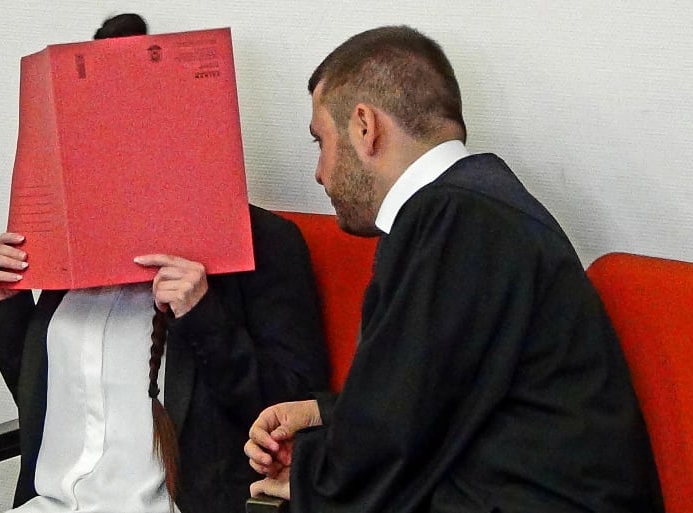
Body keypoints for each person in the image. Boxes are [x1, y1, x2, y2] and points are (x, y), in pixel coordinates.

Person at [245, 25, 664, 512]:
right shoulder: (478, 204)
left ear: (365, 126)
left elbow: (397, 431)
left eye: (321, 141)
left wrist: (311, 478)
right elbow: (432, 397)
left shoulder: (455, 218)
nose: (319, 171)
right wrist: (324, 416)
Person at [0, 13, 328, 513]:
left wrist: (203, 316)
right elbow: (59, 403)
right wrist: (2, 304)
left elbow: (294, 415)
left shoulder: (266, 243)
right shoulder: (68, 246)